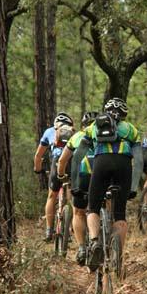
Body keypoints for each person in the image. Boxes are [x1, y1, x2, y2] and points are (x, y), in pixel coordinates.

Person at [72, 97, 144, 271]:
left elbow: (77, 158)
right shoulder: (131, 130)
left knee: (93, 208)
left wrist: (75, 184)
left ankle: (95, 241)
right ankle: (117, 256)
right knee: (120, 214)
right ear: (124, 114)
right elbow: (139, 160)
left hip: (101, 164)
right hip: (123, 167)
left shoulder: (92, 127)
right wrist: (133, 187)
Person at [57, 111, 99, 266]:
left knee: (78, 212)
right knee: (102, 206)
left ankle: (81, 248)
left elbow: (62, 161)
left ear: (82, 126)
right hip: (102, 175)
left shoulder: (77, 136)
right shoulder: (105, 135)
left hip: (82, 177)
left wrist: (61, 175)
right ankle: (103, 235)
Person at [34, 112, 74, 241]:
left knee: (52, 196)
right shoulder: (74, 132)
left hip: (57, 162)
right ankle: (70, 229)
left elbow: (38, 156)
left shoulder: (49, 131)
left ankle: (49, 230)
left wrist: (38, 169)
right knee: (72, 194)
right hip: (71, 161)